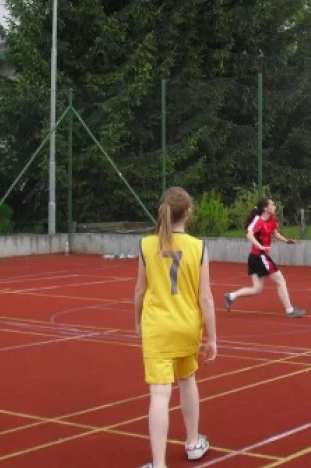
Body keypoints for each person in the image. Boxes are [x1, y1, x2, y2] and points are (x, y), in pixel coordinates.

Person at [134, 187, 217, 468]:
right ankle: (193, 443)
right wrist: (213, 337)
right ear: (189, 213)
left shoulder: (147, 245)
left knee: (159, 393)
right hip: (187, 326)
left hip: (157, 327)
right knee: (187, 380)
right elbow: (205, 298)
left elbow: (139, 292)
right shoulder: (199, 246)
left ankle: (158, 464)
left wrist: (136, 321)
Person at [224, 198, 306, 318]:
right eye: (272, 205)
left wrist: (286, 241)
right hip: (258, 256)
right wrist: (260, 246)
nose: (275, 206)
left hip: (257, 257)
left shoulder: (271, 219)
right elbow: (249, 234)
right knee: (280, 280)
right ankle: (289, 310)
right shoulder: (258, 221)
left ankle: (231, 296)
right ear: (265, 208)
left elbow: (275, 233)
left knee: (257, 289)